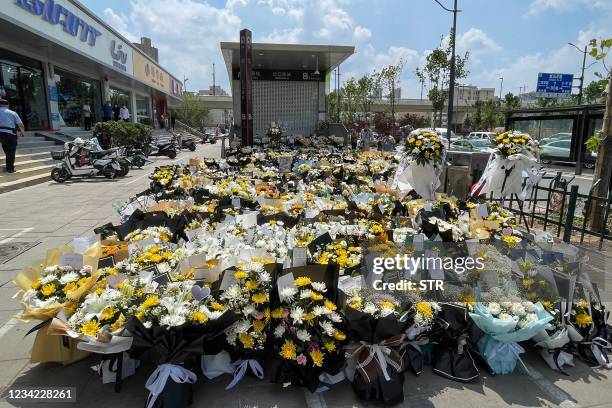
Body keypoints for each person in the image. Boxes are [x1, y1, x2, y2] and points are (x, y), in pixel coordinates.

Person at [0, 99, 26, 173]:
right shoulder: (12, 113)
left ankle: (9, 162)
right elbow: (20, 124)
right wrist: (23, 132)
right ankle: (10, 168)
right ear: (7, 105)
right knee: (11, 151)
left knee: (6, 149)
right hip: (10, 134)